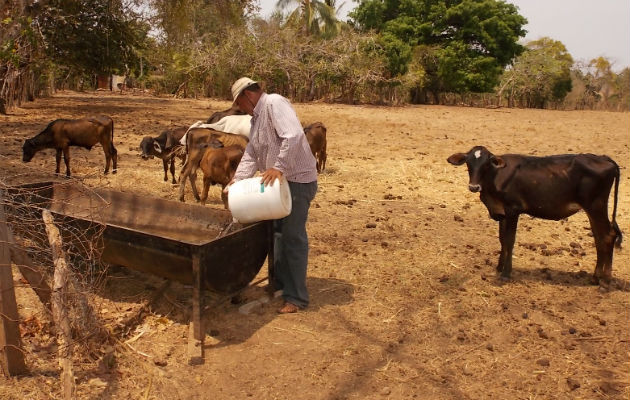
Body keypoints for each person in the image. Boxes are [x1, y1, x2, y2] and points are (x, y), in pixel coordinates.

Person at [226, 77, 318, 314]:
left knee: (292, 238)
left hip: (296, 182)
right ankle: (279, 286)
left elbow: (294, 136)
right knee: (277, 236)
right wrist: (237, 180)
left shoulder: (274, 103)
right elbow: (251, 153)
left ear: (248, 96)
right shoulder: (256, 119)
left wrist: (279, 167)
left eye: (239, 104)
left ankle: (297, 298)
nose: (240, 109)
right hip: (277, 186)